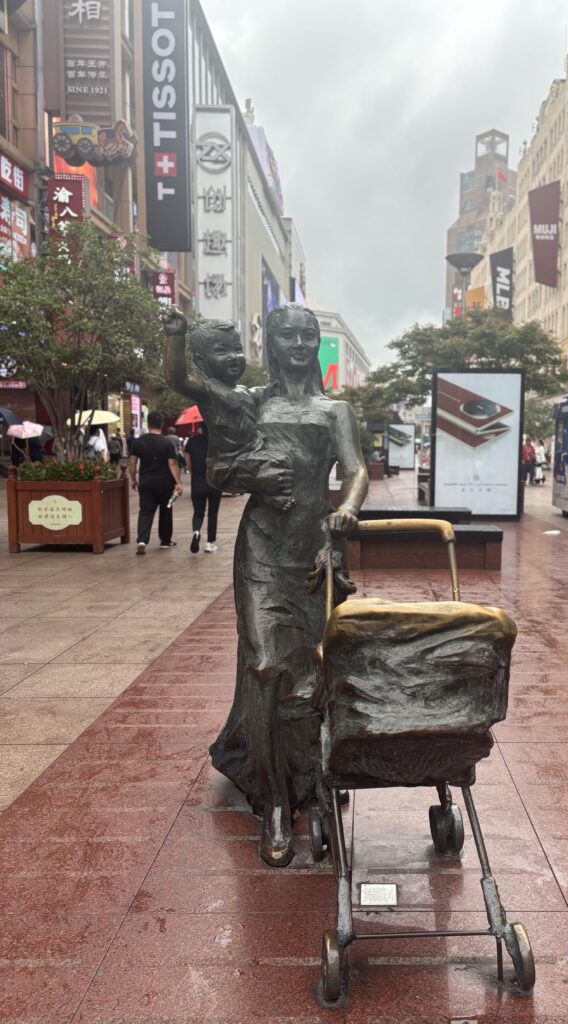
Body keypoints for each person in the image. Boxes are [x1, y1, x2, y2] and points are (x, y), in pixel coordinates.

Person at [169, 304, 368, 868]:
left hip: (316, 548)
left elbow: (354, 471)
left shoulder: (337, 411)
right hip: (261, 546)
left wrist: (348, 508)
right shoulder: (250, 402)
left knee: (316, 663)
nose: (300, 344)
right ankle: (274, 798)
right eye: (288, 336)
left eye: (309, 336)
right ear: (271, 343)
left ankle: (317, 769)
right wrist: (253, 474)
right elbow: (217, 473)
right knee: (263, 666)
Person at [164, 310, 286, 503]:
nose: (234, 356)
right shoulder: (209, 391)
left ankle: (274, 499)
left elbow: (265, 392)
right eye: (221, 351)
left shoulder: (245, 391)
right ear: (201, 362)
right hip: (228, 464)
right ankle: (276, 500)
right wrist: (176, 336)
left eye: (237, 349)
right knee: (277, 472)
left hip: (251, 457)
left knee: (284, 461)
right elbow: (177, 380)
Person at [129, 410, 183, 554]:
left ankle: (142, 540)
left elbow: (133, 462)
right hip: (164, 482)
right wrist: (178, 482)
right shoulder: (166, 442)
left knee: (145, 511)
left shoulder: (139, 441)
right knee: (166, 510)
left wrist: (133, 479)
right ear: (162, 424)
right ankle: (165, 541)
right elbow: (172, 463)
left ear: (148, 422)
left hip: (145, 482)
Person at [184, 423, 221, 553]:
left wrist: (194, 469)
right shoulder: (217, 443)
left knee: (198, 512)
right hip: (214, 482)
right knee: (213, 513)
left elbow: (188, 463)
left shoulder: (191, 442)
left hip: (198, 481)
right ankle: (210, 543)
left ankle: (196, 532)